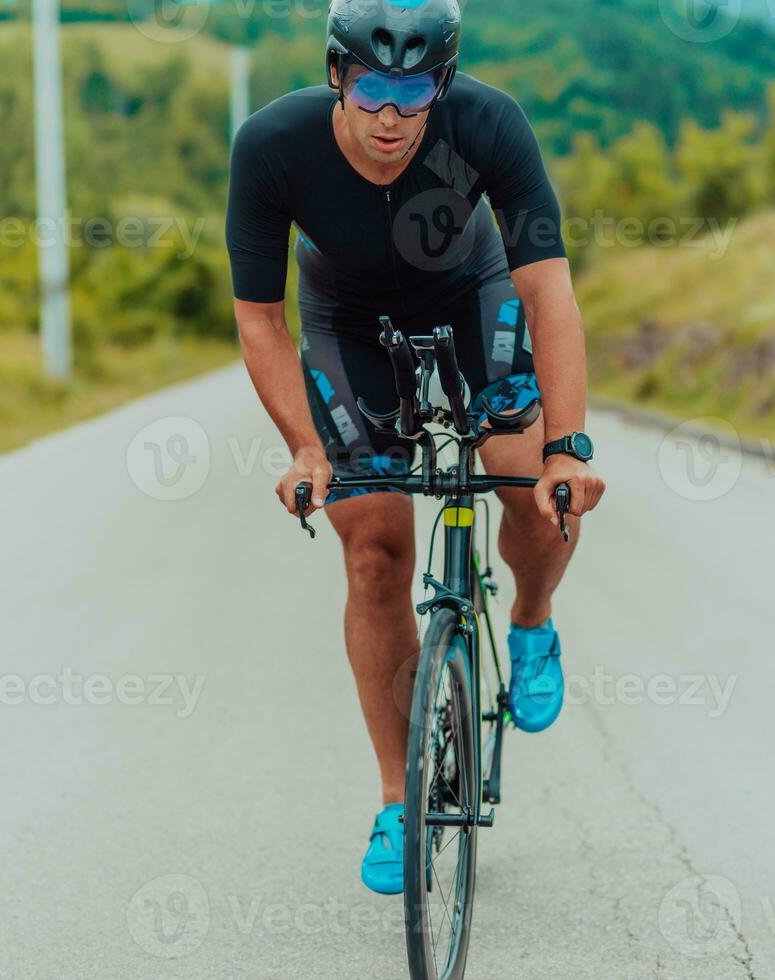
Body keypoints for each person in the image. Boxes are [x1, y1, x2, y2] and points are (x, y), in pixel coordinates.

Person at [225, 0, 605, 895]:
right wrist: (304, 449)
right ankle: (399, 799)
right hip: (343, 324)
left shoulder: (486, 122)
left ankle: (530, 620)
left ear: (442, 82)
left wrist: (569, 446)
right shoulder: (271, 145)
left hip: (470, 296)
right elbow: (258, 319)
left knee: (538, 493)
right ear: (335, 76)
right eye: (370, 87)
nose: (390, 114)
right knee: (373, 553)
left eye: (413, 89)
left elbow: (549, 294)